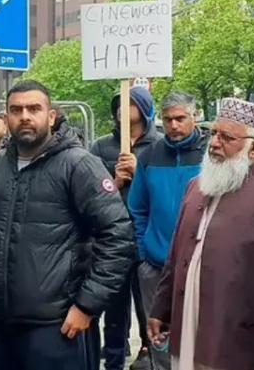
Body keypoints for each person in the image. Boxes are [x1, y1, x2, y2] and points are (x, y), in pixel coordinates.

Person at [0, 80, 135, 370]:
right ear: (7, 118)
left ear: (51, 116)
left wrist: (86, 305)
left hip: (58, 328)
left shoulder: (78, 165)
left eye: (34, 108)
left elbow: (119, 235)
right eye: (16, 109)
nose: (25, 115)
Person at [148, 98, 254, 370]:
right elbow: (177, 253)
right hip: (187, 328)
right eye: (214, 133)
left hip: (240, 340)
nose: (214, 143)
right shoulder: (198, 186)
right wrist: (161, 307)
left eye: (227, 137)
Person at [128, 92, 208, 370]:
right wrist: (143, 251)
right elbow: (137, 207)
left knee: (200, 338)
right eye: (168, 119)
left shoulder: (212, 152)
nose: (174, 125)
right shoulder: (149, 155)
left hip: (201, 266)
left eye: (180, 118)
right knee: (159, 337)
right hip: (155, 266)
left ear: (194, 116)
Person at [89, 86, 161, 370]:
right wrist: (114, 181)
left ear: (144, 109)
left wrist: (139, 172)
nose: (122, 109)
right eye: (118, 103)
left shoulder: (159, 146)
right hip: (112, 241)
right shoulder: (101, 147)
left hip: (146, 240)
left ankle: (152, 360)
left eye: (129, 103)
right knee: (115, 312)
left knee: (150, 311)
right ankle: (114, 362)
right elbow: (90, 192)